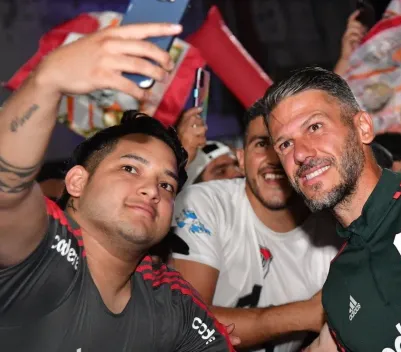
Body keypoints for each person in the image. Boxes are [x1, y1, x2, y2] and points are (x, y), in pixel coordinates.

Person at [0, 22, 234, 351]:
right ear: (77, 181)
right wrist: (47, 80)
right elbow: (6, 192)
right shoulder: (42, 249)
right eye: (129, 168)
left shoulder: (169, 302)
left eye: (167, 185)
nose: (153, 190)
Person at [262, 66, 401, 351]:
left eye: (314, 127)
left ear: (363, 127)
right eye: (285, 144)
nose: (300, 154)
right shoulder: (338, 289)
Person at [171, 100, 341, 352]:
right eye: (262, 144)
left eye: (284, 144)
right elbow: (188, 322)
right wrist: (304, 314)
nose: (274, 159)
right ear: (241, 158)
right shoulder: (207, 203)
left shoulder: (334, 231)